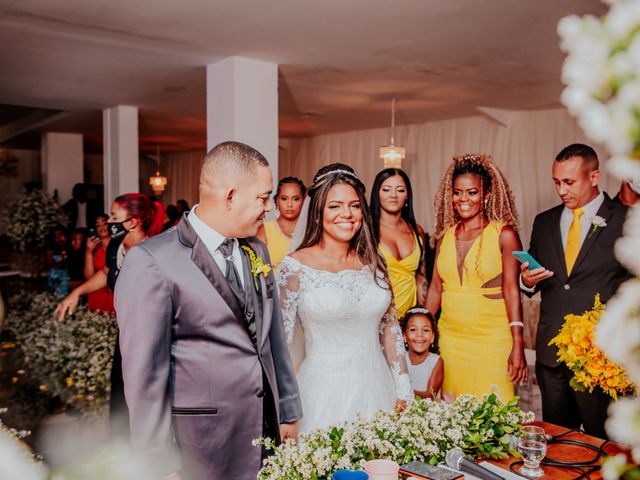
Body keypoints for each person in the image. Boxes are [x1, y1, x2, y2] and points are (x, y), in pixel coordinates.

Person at [115, 142, 302, 480]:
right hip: (201, 443)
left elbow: (273, 340)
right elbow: (145, 377)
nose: (269, 209)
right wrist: (158, 464)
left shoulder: (257, 249)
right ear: (231, 196)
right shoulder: (152, 261)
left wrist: (287, 410)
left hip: (264, 430)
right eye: (263, 198)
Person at [277, 163, 412, 434]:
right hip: (323, 394)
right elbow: (282, 344)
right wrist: (284, 410)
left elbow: (390, 328)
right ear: (318, 212)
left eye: (354, 205)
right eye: (335, 206)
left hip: (378, 388)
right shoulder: (294, 267)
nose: (347, 214)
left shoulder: (374, 261)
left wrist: (404, 386)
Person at [521, 143, 631, 438]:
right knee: (558, 441)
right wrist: (528, 281)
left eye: (569, 182)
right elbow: (533, 278)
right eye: (556, 182)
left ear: (594, 177)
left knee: (604, 442)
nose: (561, 190)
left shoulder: (626, 220)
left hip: (601, 358)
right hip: (552, 356)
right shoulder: (543, 222)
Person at [55, 194, 164, 436]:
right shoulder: (116, 247)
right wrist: (76, 293)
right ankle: (121, 449)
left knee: (147, 395)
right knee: (119, 391)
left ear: (133, 222)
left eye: (115, 217)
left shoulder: (155, 250)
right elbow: (106, 274)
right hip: (125, 333)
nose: (109, 222)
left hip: (152, 336)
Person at [425, 153, 527, 401]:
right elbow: (436, 289)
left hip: (492, 340)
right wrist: (421, 330)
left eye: (472, 192)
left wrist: (518, 343)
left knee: (494, 413)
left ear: (487, 194)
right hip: (450, 340)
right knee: (452, 414)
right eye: (457, 192)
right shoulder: (444, 237)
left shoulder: (504, 234)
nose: (463, 199)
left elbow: (512, 290)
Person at [371, 168, 429, 319]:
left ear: (407, 195)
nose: (393, 195)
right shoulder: (367, 231)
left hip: (409, 320)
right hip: (377, 319)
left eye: (400, 190)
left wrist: (421, 318)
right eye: (386, 189)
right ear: (377, 194)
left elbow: (421, 279)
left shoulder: (417, 231)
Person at [257, 177, 306, 268]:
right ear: (277, 200)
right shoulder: (263, 229)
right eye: (284, 198)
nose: (290, 204)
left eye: (296, 199)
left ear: (303, 201)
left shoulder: (311, 230)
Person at [402, 306, 443, 400]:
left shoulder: (436, 361)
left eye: (425, 330)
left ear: (432, 337)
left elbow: (430, 396)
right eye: (413, 330)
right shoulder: (400, 358)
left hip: (426, 412)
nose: (419, 335)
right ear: (404, 336)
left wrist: (402, 392)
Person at [84, 214, 115, 314]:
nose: (101, 227)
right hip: (97, 293)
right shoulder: (94, 249)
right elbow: (89, 277)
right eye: (98, 225)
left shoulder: (120, 245)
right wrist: (88, 252)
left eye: (104, 223)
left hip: (115, 293)